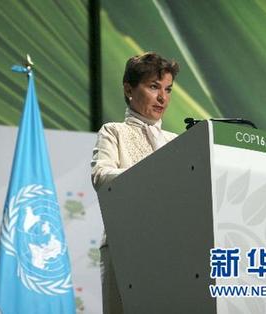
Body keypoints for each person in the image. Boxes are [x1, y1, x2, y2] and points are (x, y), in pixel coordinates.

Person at [91, 52, 180, 314]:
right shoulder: (113, 131)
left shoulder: (176, 141)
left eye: (168, 89)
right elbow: (101, 175)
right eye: (154, 87)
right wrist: (148, 173)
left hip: (173, 246)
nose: (163, 98)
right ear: (129, 89)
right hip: (124, 245)